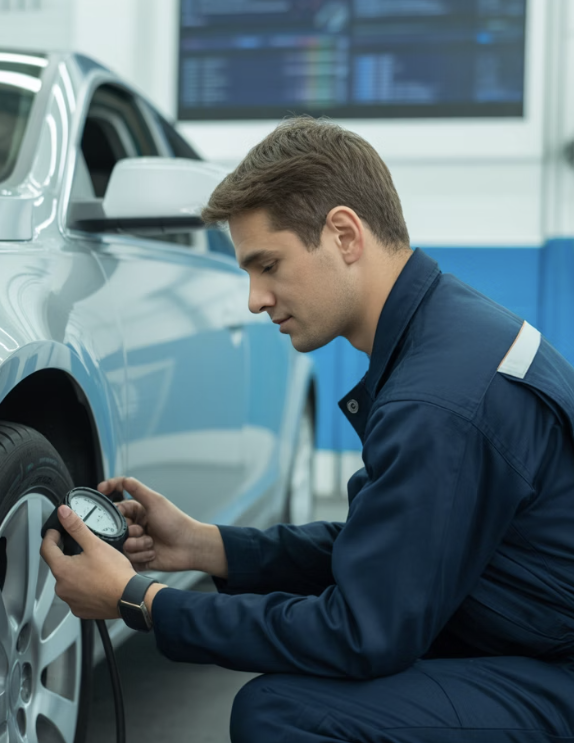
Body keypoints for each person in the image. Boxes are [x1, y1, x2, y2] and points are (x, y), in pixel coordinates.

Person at [41, 117, 574, 742]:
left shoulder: (439, 400)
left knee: (281, 715)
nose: (254, 299)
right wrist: (205, 545)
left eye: (268, 265)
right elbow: (391, 552)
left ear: (344, 234)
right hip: (528, 638)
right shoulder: (448, 334)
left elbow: (361, 633)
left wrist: (142, 601)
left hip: (553, 673)